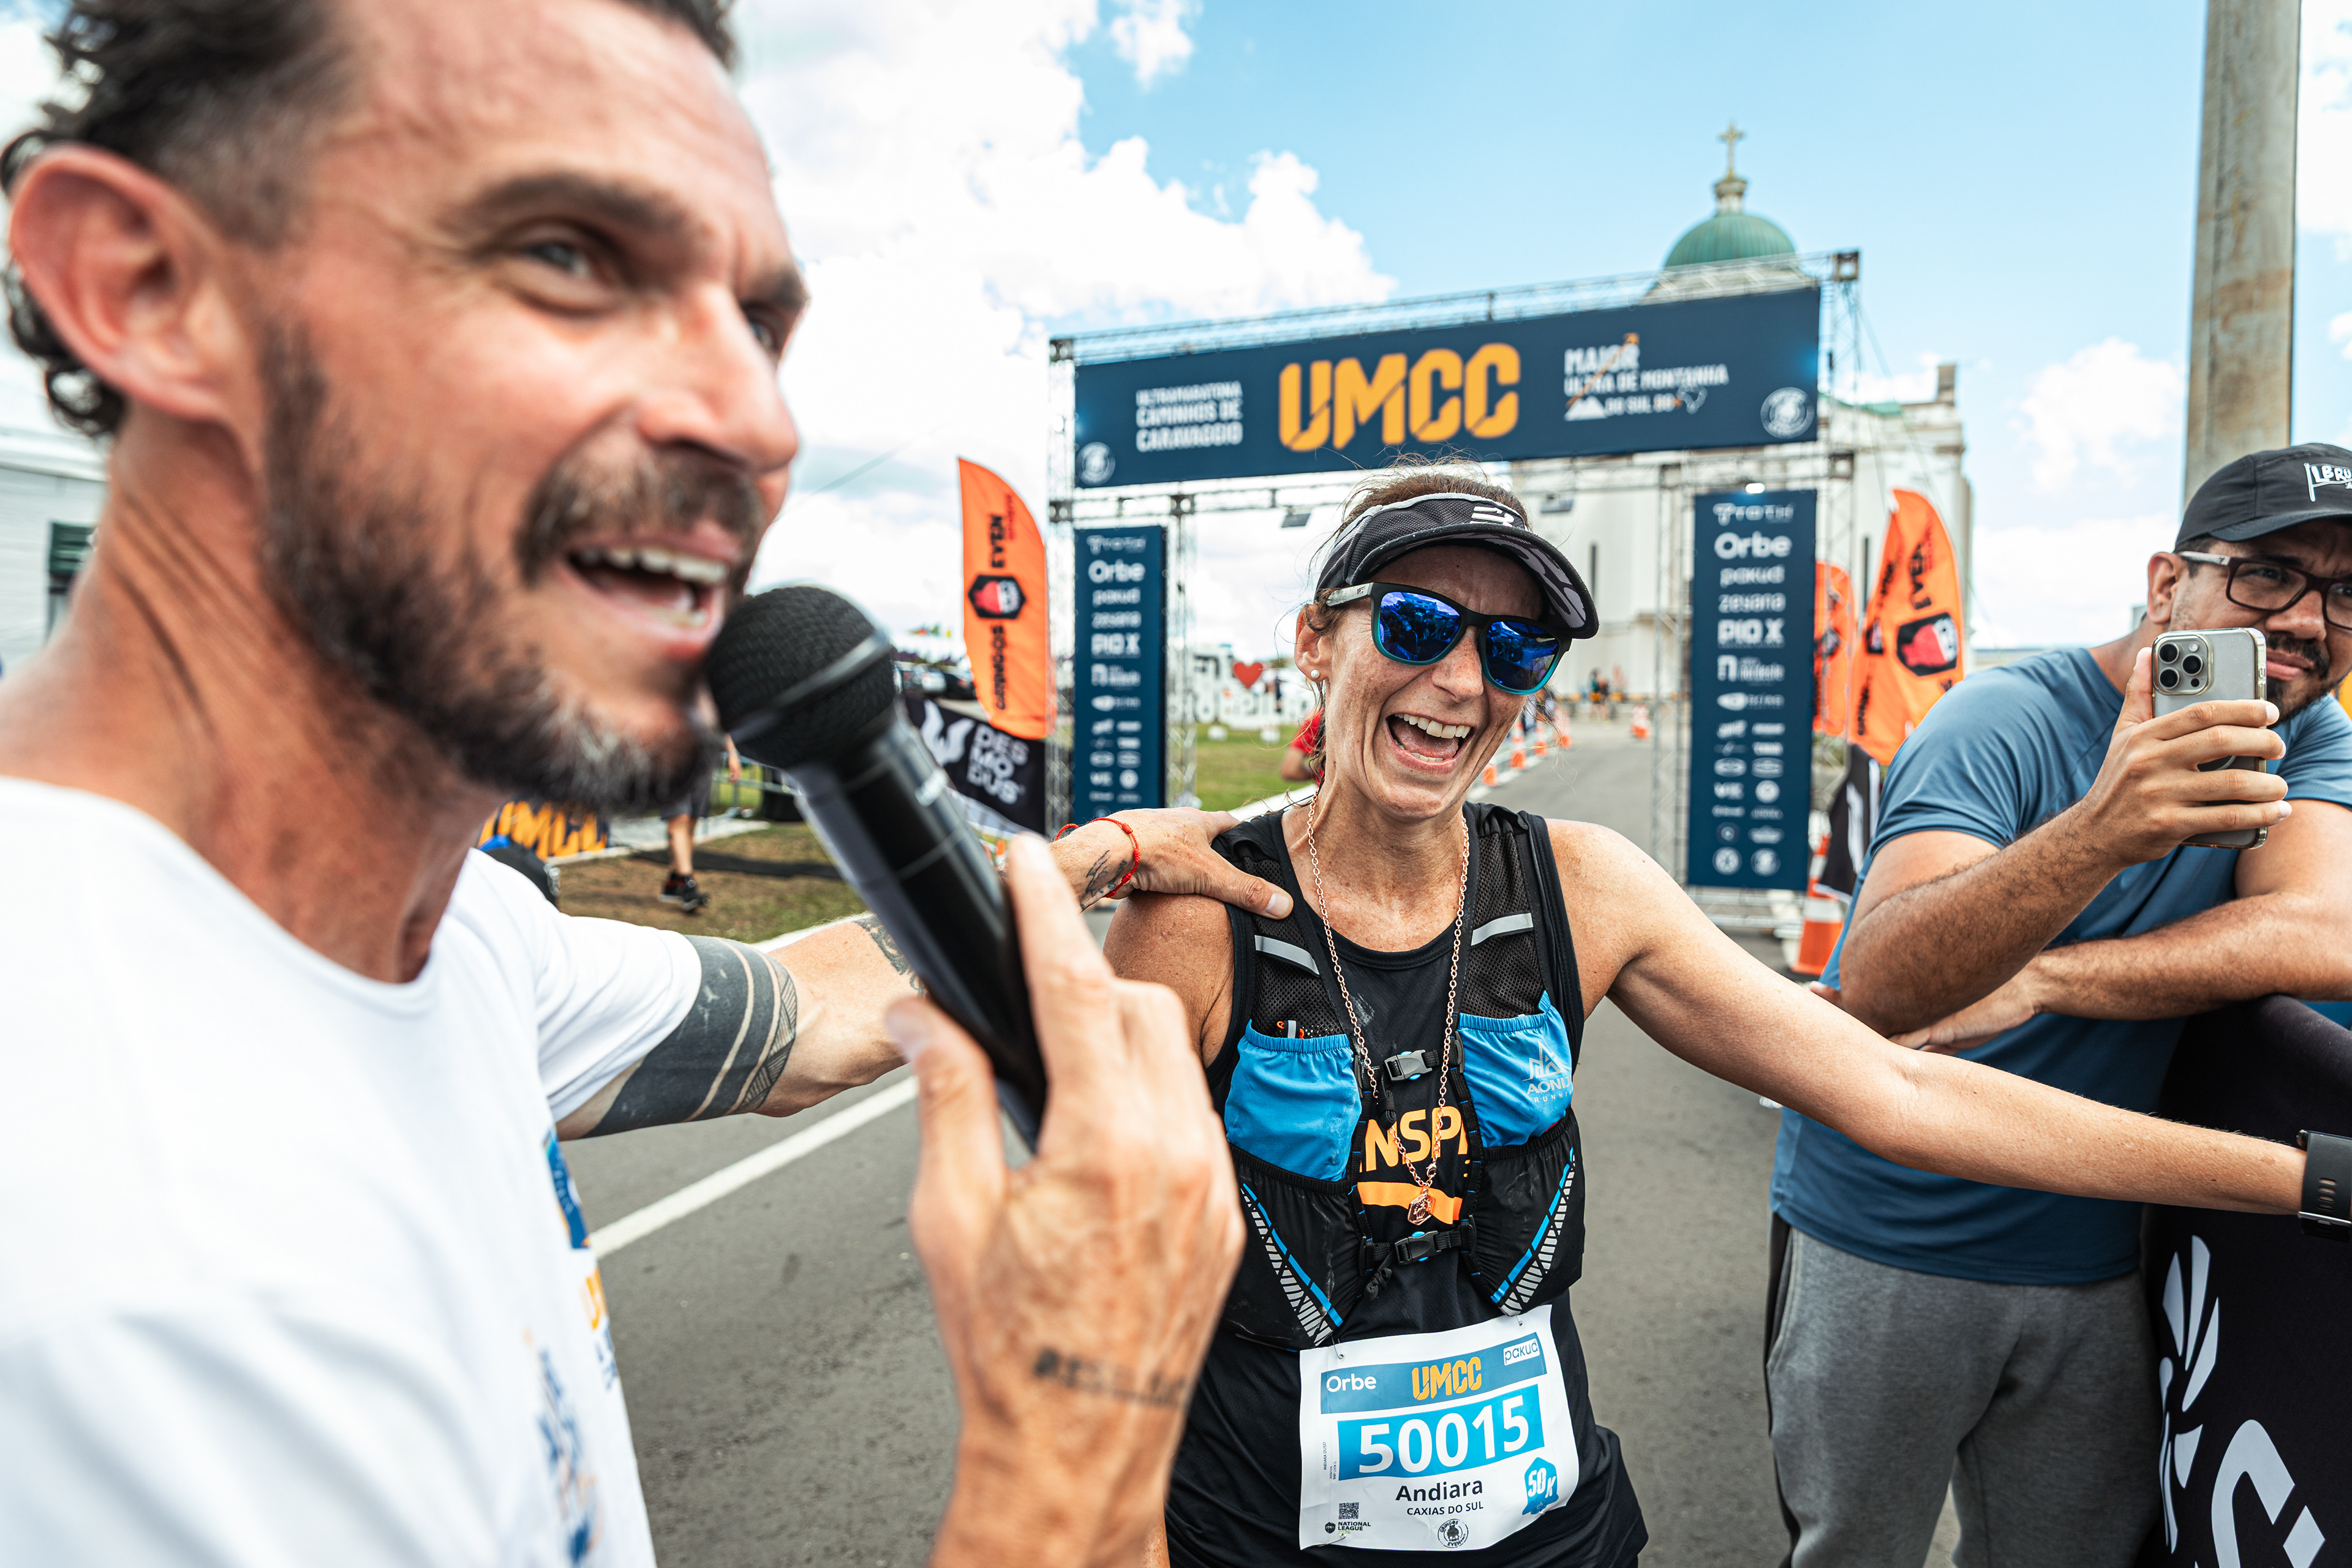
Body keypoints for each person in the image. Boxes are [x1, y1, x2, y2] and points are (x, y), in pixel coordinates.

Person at [0, 3, 1295, 1562]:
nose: (758, 424)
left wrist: (1097, 853)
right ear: (146, 286)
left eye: (758, 323)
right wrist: (1078, 1456)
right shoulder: (82, 1261)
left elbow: (803, 1012)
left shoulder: (455, 935)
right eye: (569, 257)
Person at [1106, 469, 2321, 1568]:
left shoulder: (1582, 884)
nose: (1465, 681)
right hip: (1257, 1532)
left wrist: (2311, 1178)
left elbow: (1898, 1087)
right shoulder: (1199, 920)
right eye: (1417, 624)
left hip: (1547, 1539)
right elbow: (1100, 1282)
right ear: (1315, 640)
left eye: (1517, 648)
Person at [1776, 444, 2352, 1568]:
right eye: (2267, 574)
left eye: (2344, 594)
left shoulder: (2311, 738)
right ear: (2166, 584)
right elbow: (1883, 983)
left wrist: (2046, 977)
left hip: (2102, 1249)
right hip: (1888, 1231)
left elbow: (2324, 933)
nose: (2305, 620)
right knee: (1854, 1548)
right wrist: (2103, 831)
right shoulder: (2005, 716)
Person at [658, 733, 738, 912]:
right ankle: (688, 885)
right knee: (679, 820)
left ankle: (673, 882)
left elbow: (720, 721)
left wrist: (732, 753)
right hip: (672, 761)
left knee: (690, 825)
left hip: (702, 762)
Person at [1280, 710, 1324, 783]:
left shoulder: (1317, 716)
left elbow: (1291, 770)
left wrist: (1321, 771)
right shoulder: (1318, 717)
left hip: (1328, 787)